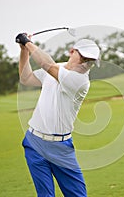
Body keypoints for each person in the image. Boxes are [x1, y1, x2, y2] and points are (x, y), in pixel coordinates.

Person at [15, 33, 100, 197]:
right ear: (72, 51)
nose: (86, 64)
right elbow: (26, 79)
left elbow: (47, 64)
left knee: (78, 195)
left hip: (61, 147)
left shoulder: (81, 81)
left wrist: (28, 42)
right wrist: (24, 50)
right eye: (83, 58)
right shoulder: (56, 67)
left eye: (90, 61)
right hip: (35, 143)